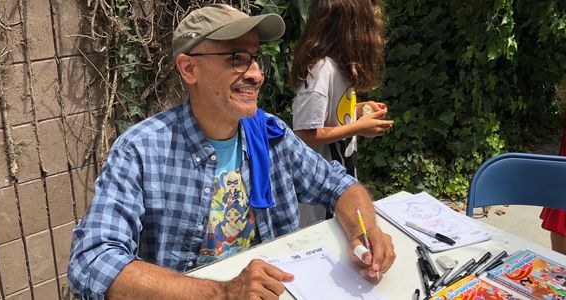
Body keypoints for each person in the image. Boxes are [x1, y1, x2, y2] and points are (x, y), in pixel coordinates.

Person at [67, 4, 395, 299]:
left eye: (255, 58)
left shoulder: (270, 135)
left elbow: (340, 185)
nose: (256, 74)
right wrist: (224, 293)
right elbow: (93, 261)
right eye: (236, 59)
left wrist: (365, 232)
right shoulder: (142, 149)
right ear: (189, 69)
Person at [288, 0, 394, 224]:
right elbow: (303, 134)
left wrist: (360, 110)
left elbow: (332, 115)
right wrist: (359, 127)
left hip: (341, 174)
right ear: (352, 27)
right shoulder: (321, 70)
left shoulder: (342, 67)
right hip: (320, 187)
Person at [540, 64, 566, 258]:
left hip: (564, 174)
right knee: (562, 217)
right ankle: (562, 266)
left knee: (561, 217)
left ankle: (561, 265)